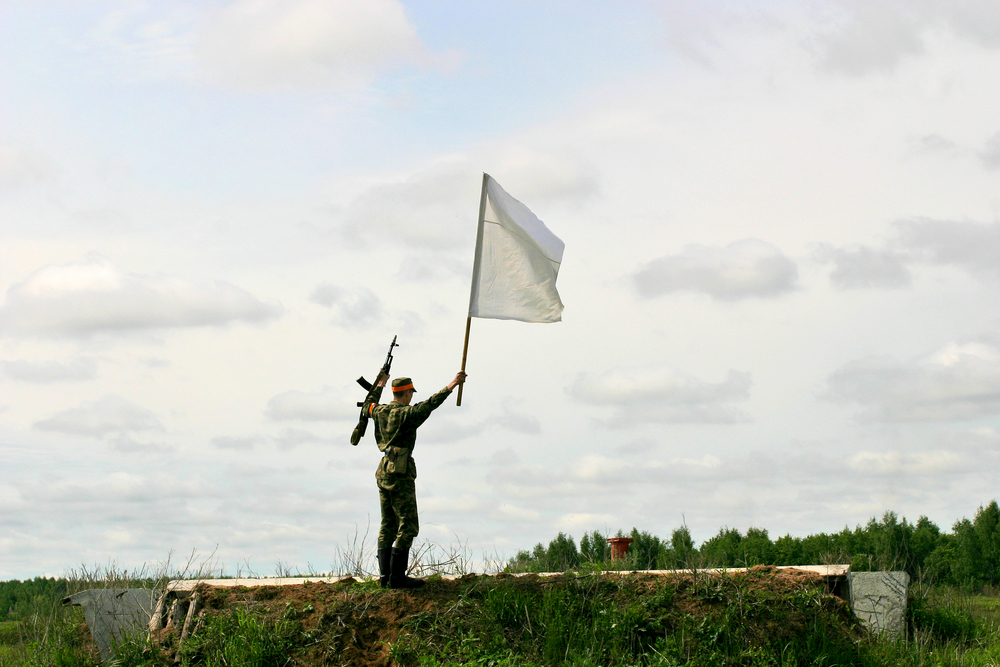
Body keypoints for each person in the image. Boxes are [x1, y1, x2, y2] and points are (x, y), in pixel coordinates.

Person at [369, 370, 467, 589]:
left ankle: (385, 577)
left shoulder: (379, 411)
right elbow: (430, 404)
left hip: (383, 470)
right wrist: (453, 383)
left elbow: (369, 404)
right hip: (401, 472)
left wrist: (379, 384)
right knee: (408, 524)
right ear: (406, 393)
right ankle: (397, 578)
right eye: (410, 393)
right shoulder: (407, 414)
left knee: (387, 524)